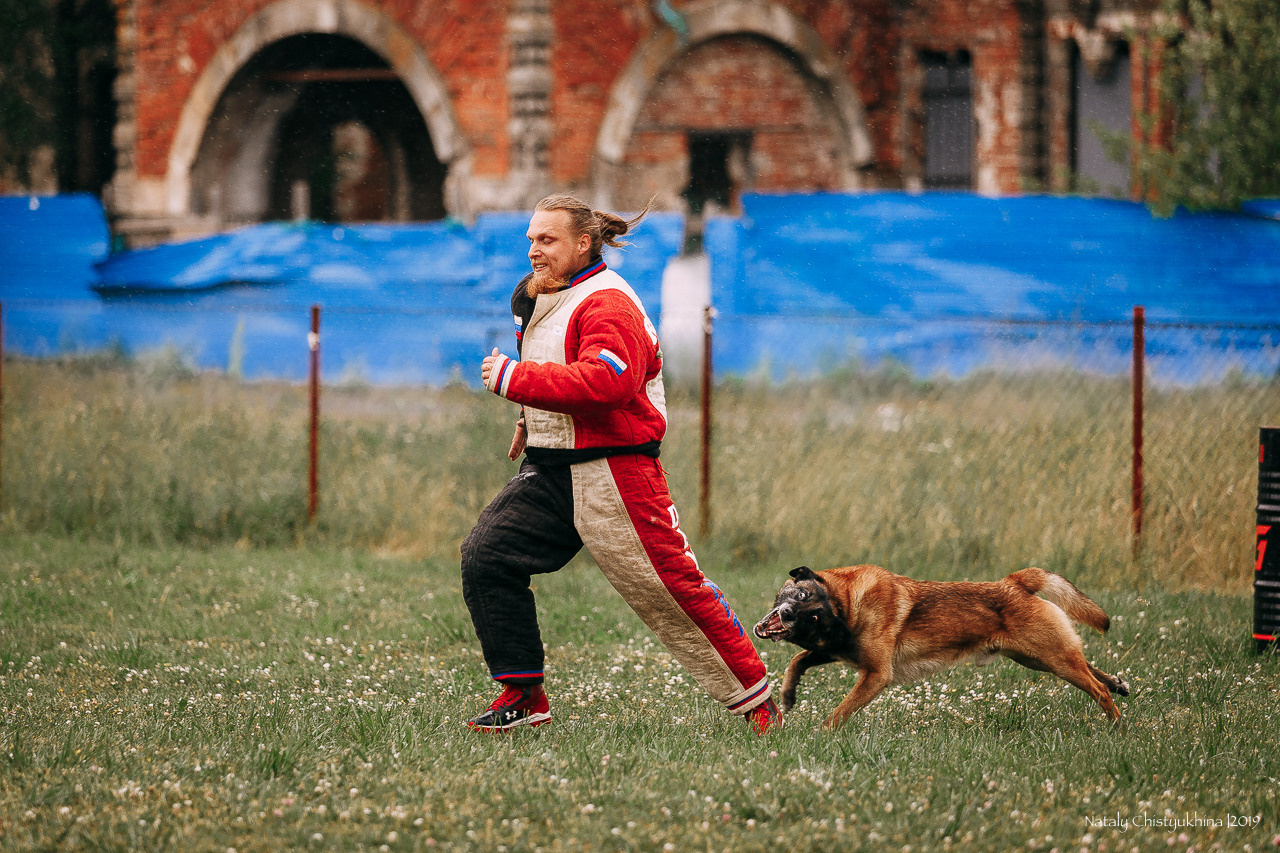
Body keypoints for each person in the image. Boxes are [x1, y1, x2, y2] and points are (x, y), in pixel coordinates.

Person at [462, 193, 779, 734]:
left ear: (583, 243)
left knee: (673, 589)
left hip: (615, 471)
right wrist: (530, 418)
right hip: (552, 468)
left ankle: (760, 706)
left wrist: (515, 379)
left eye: (547, 240)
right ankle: (523, 697)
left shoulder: (608, 302)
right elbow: (560, 366)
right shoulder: (547, 293)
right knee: (487, 555)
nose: (534, 251)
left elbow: (608, 382)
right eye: (531, 240)